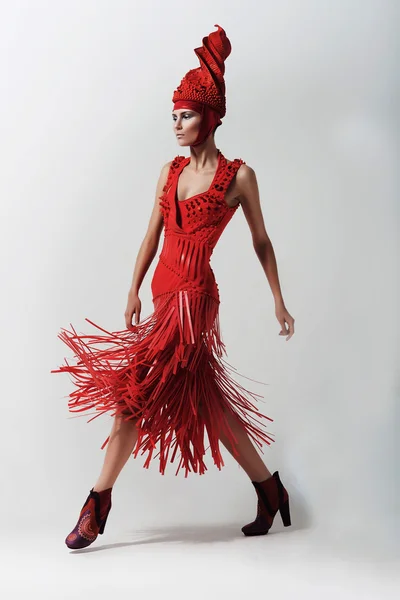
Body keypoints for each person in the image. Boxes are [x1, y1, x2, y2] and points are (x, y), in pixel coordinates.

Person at [51, 24, 295, 550]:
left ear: (210, 117)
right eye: (174, 115)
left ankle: (97, 503)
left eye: (185, 115)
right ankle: (270, 489)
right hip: (163, 298)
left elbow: (262, 241)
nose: (177, 124)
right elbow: (151, 234)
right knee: (211, 407)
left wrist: (278, 299)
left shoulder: (239, 177)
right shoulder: (169, 172)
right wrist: (133, 289)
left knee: (129, 397)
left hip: (195, 303)